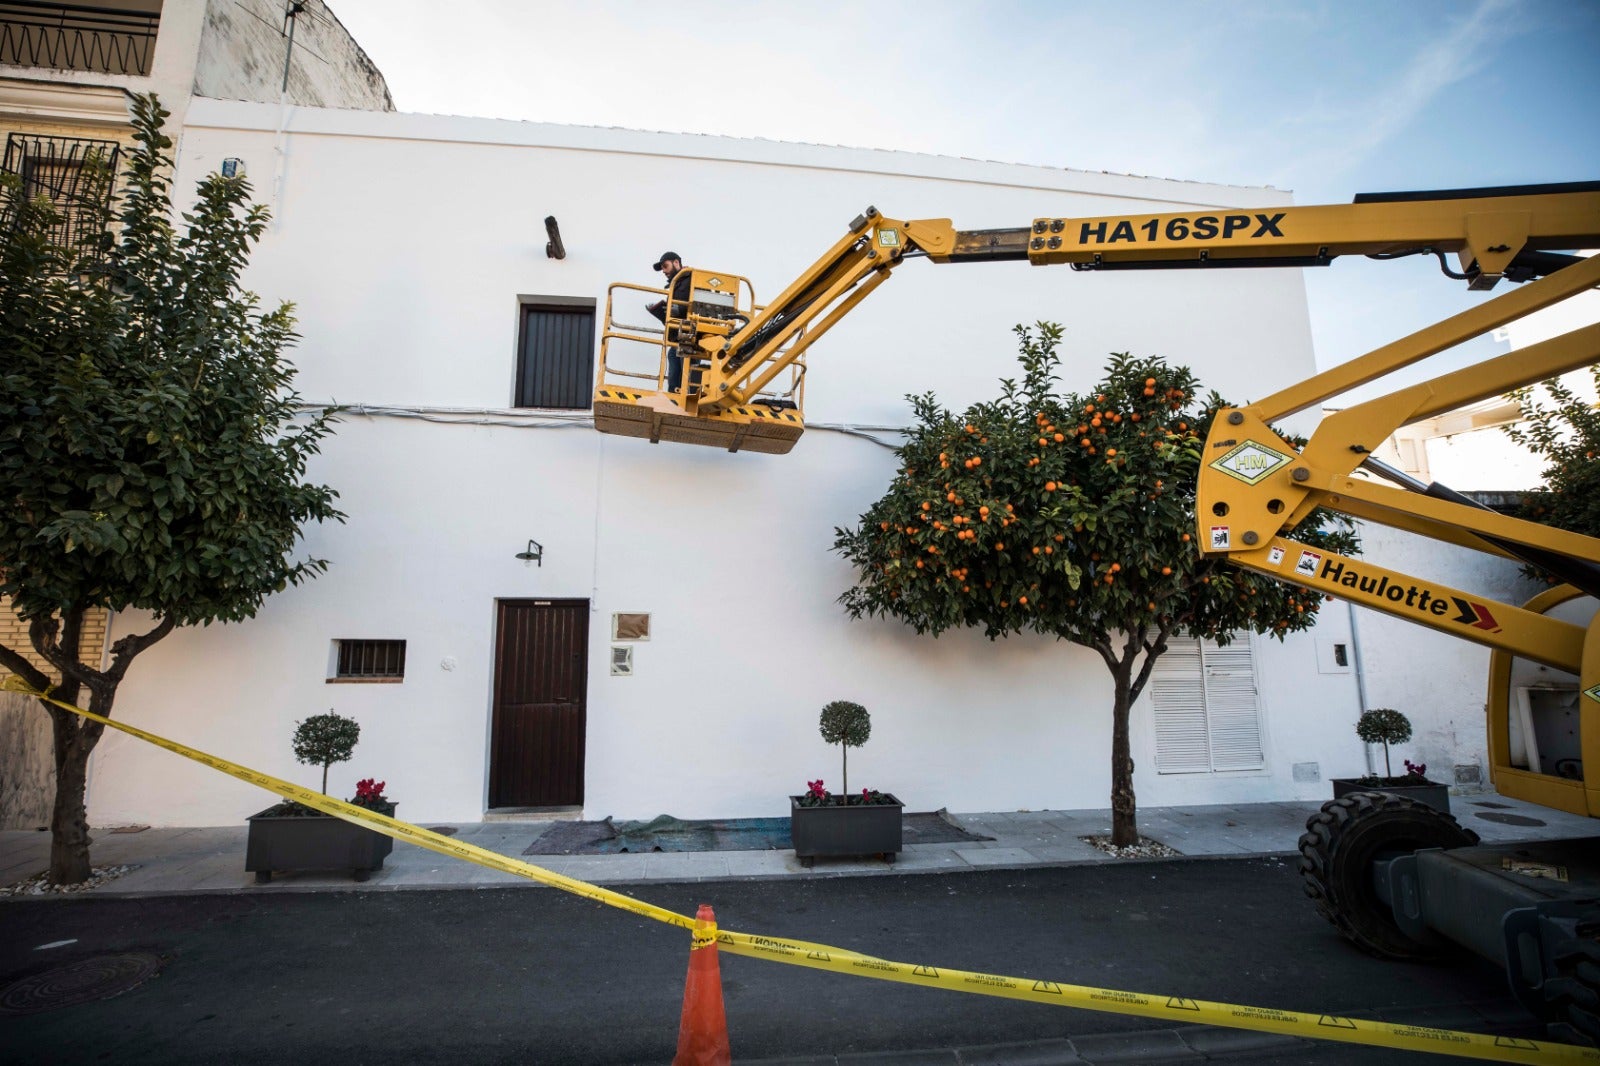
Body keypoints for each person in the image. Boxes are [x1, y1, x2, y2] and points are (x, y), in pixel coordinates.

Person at [647, 251, 693, 392]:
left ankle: (687, 394)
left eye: (665, 266)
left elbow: (697, 306)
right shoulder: (675, 284)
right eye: (662, 268)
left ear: (676, 262)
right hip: (677, 336)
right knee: (673, 357)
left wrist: (677, 310)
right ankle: (673, 395)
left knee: (686, 369)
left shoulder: (692, 278)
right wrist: (662, 314)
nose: (664, 271)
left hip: (689, 336)